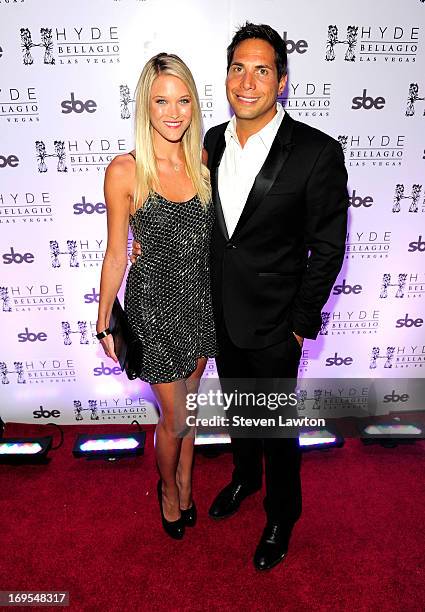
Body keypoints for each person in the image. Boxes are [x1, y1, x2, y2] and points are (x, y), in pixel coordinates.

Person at [133, 23, 348, 570]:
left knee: (276, 429)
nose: (247, 81)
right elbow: (186, 221)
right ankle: (244, 480)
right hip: (214, 315)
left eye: (262, 70)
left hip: (277, 324)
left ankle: (281, 516)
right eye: (238, 68)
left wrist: (300, 322)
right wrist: (147, 254)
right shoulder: (206, 145)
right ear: (226, 76)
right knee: (240, 417)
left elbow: (328, 247)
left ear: (281, 81)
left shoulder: (317, 153)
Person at [96, 53, 216, 540]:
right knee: (177, 416)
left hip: (199, 305)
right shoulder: (126, 171)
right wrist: (104, 318)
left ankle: (187, 483)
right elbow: (115, 255)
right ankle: (168, 488)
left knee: (189, 409)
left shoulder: (204, 162)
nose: (173, 111)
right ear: (145, 105)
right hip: (153, 312)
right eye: (162, 100)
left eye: (183, 100)